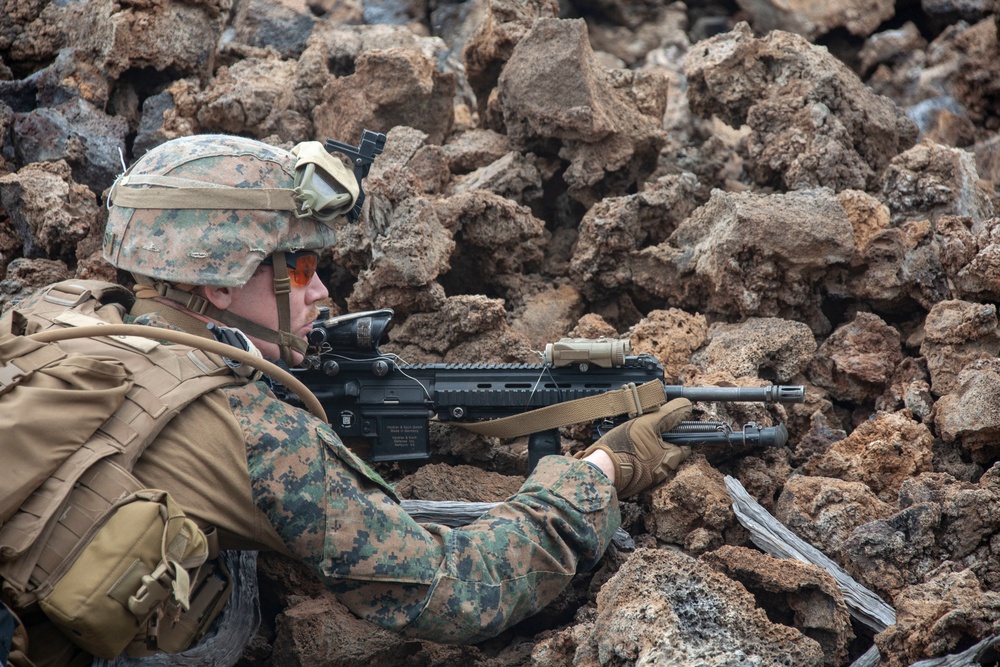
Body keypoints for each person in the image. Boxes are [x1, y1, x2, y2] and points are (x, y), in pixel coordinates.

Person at [6, 133, 692, 665]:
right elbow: (455, 591)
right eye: (300, 267)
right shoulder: (260, 437)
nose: (321, 292)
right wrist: (599, 473)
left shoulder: (54, 314)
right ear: (218, 280)